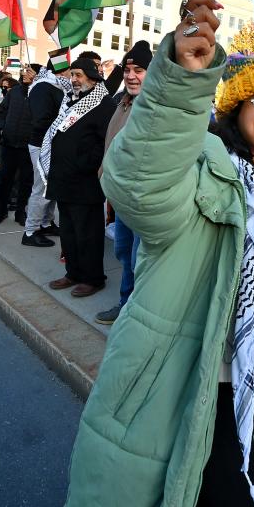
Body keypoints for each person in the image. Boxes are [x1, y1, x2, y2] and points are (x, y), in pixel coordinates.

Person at [56, 0, 254, 507]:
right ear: (235, 110)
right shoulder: (201, 170)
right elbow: (139, 181)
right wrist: (181, 80)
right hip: (199, 372)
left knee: (209, 499)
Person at [42, 58, 116, 298]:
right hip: (64, 179)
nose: (73, 79)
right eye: (72, 74)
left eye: (78, 75)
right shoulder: (71, 101)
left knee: (88, 234)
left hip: (85, 182)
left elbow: (106, 142)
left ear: (93, 78)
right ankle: (73, 272)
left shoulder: (104, 105)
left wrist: (85, 162)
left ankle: (93, 278)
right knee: (69, 232)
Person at [94, 40, 152, 323]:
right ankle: (126, 302)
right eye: (127, 69)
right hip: (121, 198)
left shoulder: (158, 107)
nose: (130, 75)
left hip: (145, 200)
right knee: (124, 253)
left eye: (139, 69)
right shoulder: (123, 102)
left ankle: (136, 312)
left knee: (141, 259)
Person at [22, 57, 71, 247]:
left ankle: (46, 223)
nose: (71, 76)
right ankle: (30, 231)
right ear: (61, 71)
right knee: (41, 188)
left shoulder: (58, 86)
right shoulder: (44, 87)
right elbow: (41, 120)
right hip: (42, 144)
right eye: (70, 71)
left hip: (52, 143)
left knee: (51, 187)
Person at [0, 66, 36, 225]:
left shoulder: (40, 94)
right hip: (9, 143)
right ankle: (2, 209)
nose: (25, 74)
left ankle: (20, 211)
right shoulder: (14, 92)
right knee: (4, 180)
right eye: (25, 71)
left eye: (30, 72)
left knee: (25, 181)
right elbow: (1, 112)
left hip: (28, 146)